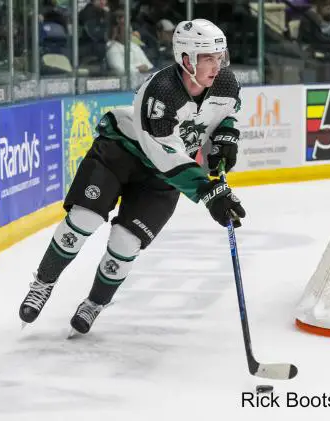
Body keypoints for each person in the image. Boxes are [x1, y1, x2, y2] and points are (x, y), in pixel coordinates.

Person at [19, 19, 246, 335]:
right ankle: (43, 282)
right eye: (208, 57)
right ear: (186, 59)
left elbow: (226, 117)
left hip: (161, 180)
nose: (216, 65)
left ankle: (94, 303)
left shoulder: (226, 84)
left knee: (126, 242)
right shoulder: (161, 92)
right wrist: (209, 193)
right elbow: (165, 157)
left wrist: (225, 140)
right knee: (84, 219)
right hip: (120, 154)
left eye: (219, 56)